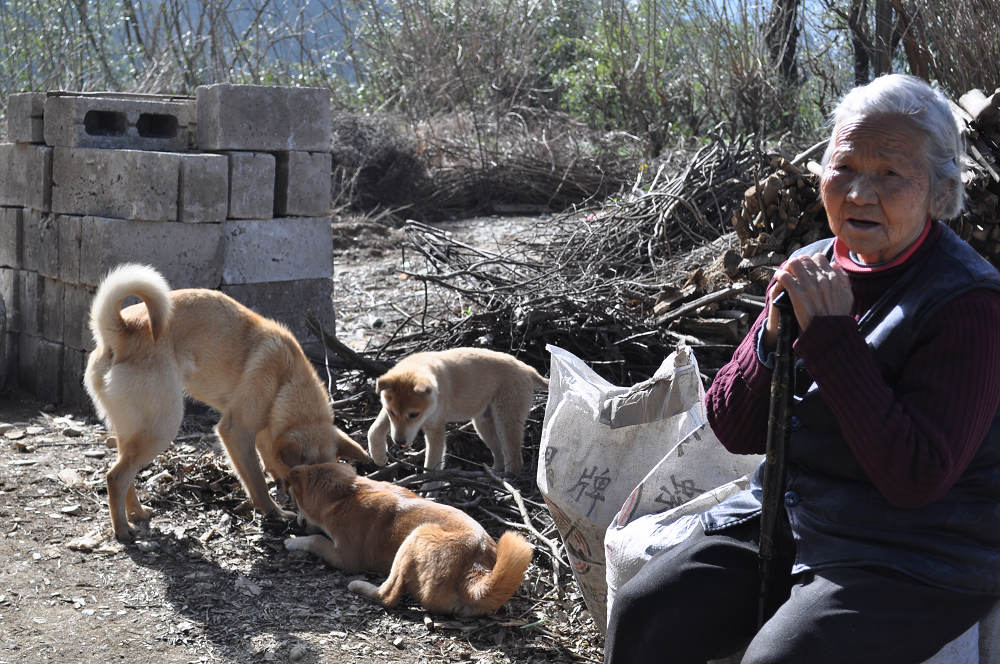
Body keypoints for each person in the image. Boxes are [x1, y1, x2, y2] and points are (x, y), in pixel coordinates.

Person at [605, 73, 1000, 664]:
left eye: (891, 173)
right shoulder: (809, 268)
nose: (860, 193)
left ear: (939, 192)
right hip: (795, 513)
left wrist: (832, 339)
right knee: (649, 612)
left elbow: (915, 478)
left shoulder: (968, 303)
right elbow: (735, 430)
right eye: (844, 168)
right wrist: (773, 337)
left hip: (917, 550)